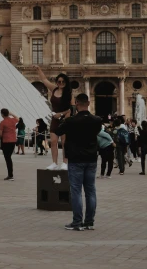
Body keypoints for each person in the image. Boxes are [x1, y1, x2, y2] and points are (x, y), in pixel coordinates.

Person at [55, 93, 102, 231]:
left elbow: (58, 131)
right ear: (88, 103)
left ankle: (77, 222)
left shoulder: (71, 121)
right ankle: (89, 222)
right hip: (91, 159)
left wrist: (62, 118)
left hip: (76, 160)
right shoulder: (97, 120)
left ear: (76, 104)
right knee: (91, 191)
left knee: (76, 191)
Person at [36, 67, 72, 170]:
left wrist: (60, 114)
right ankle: (54, 163)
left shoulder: (68, 94)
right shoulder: (54, 89)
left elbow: (70, 109)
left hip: (65, 120)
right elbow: (44, 80)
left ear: (66, 82)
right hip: (55, 119)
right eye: (59, 81)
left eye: (62, 81)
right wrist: (39, 70)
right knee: (53, 141)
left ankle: (65, 162)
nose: (60, 83)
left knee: (65, 143)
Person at [0, 108, 18, 181]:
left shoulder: (3, 122)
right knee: (9, 157)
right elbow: (17, 118)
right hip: (13, 140)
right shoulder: (13, 120)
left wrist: (0, 134)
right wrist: (11, 113)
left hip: (6, 141)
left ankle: (10, 175)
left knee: (7, 158)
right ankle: (10, 174)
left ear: (2, 114)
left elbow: (0, 134)